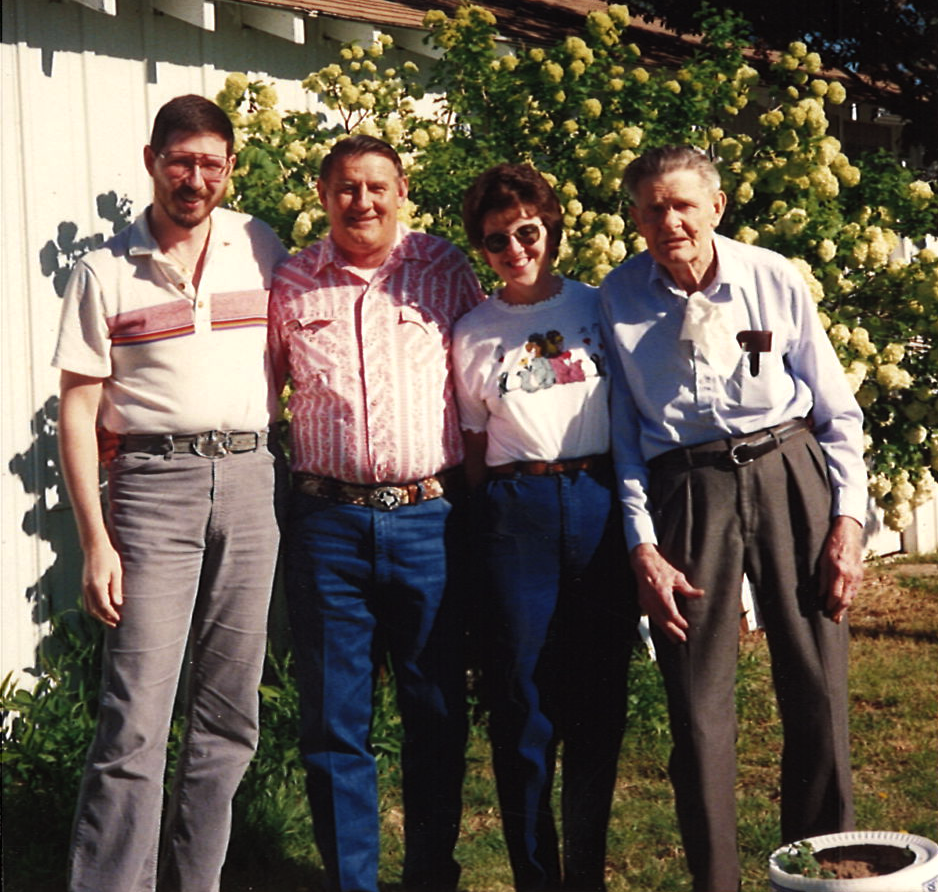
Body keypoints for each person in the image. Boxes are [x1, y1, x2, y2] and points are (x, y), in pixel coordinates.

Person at [598, 145, 867, 892]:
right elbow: (623, 437)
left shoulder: (772, 276)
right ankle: (716, 880)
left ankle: (825, 872)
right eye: (651, 207)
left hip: (788, 472)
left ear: (716, 207)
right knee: (696, 704)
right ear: (636, 217)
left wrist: (848, 522)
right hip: (687, 489)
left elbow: (837, 409)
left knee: (817, 686)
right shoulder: (618, 297)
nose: (668, 220)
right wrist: (643, 546)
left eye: (683, 203)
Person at [54, 94, 288, 892]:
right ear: (151, 159)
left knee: (230, 712)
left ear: (230, 167)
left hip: (252, 480)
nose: (196, 178)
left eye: (211, 163)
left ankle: (198, 881)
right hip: (154, 488)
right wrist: (96, 540)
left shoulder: (260, 245)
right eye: (181, 160)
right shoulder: (104, 270)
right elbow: (79, 410)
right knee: (136, 716)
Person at [268, 134, 483, 892]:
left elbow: (485, 375)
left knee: (434, 709)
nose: (363, 201)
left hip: (431, 520)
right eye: (347, 187)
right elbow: (262, 390)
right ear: (325, 194)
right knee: (333, 723)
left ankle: (429, 874)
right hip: (327, 527)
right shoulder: (291, 281)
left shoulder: (445, 268)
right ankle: (352, 881)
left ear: (402, 192)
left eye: (377, 186)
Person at [453, 164, 634, 892]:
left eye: (527, 231)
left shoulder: (598, 306)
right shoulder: (472, 330)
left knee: (596, 698)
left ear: (550, 228)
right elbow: (470, 449)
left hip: (596, 499)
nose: (515, 248)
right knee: (521, 701)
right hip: (514, 513)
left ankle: (585, 873)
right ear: (483, 248)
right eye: (497, 239)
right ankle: (536, 876)